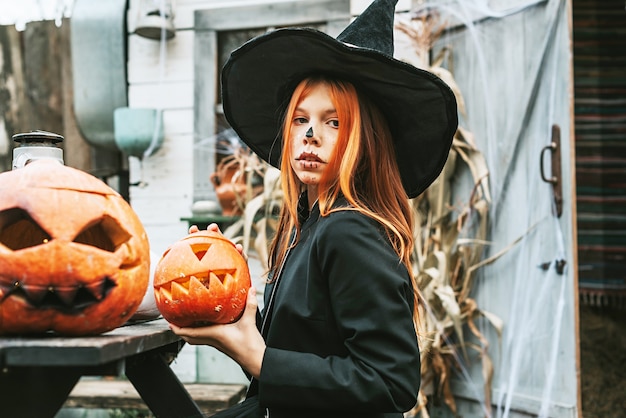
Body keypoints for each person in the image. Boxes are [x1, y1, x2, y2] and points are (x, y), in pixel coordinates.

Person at [169, 0, 458, 417]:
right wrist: (219, 286)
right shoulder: (308, 228)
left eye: (334, 122)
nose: (310, 135)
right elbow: (306, 339)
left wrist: (257, 357)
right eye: (300, 120)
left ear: (366, 140)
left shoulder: (349, 232)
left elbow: (392, 382)